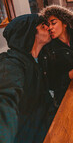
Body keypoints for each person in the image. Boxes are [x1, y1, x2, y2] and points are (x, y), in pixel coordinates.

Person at [0, 14, 57, 143]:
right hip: (32, 134)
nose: (48, 28)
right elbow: (5, 99)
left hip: (49, 120)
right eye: (43, 26)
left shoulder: (40, 58)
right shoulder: (11, 64)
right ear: (29, 34)